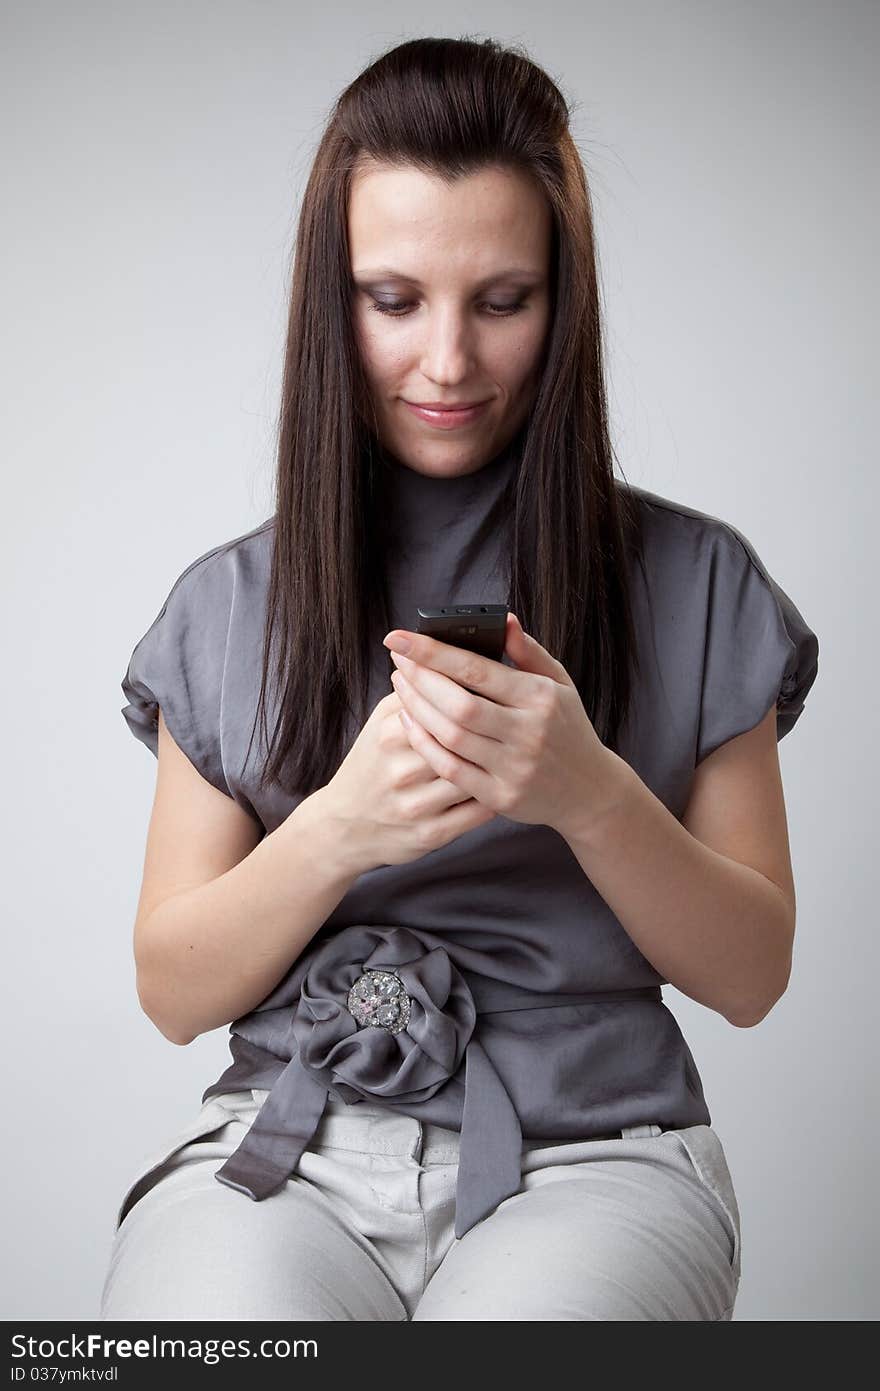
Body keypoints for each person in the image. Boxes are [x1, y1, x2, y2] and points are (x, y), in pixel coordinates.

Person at [99, 36, 819, 1322]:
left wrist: (587, 791)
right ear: (332, 301)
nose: (446, 362)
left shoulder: (698, 581)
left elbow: (752, 972)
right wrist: (337, 829)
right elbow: (173, 987)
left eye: (502, 299)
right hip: (286, 1155)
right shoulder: (227, 602)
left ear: (565, 300)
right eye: (393, 300)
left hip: (601, 1156)